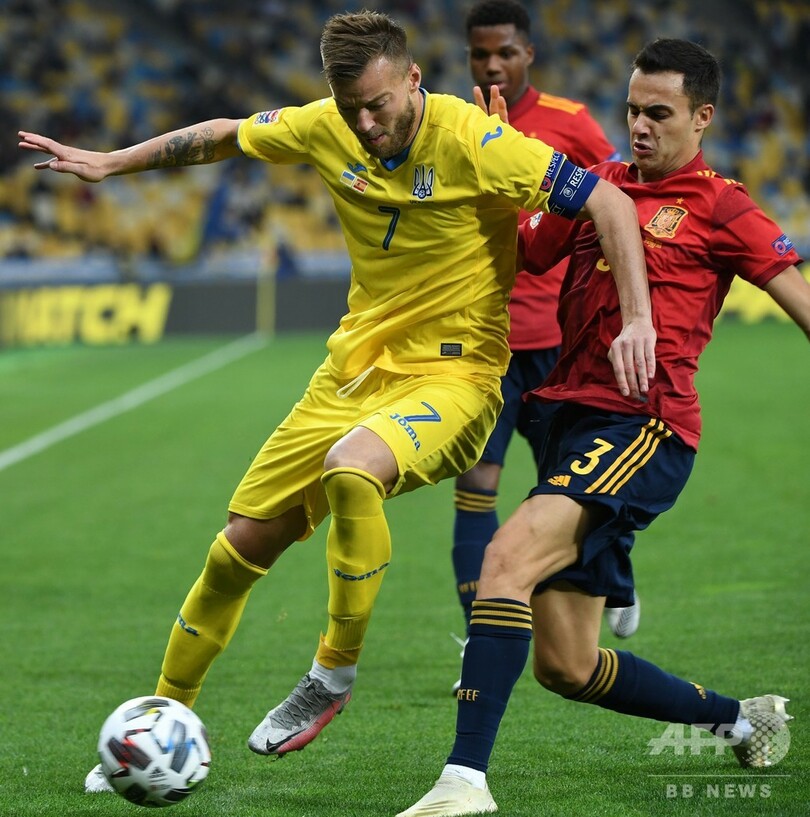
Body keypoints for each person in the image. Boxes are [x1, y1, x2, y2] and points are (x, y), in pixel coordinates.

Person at [18, 10, 656, 793]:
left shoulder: (474, 140)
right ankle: (160, 720)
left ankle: (333, 672)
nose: (365, 124)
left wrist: (636, 319)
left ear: (413, 80)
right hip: (350, 374)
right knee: (235, 551)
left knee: (352, 469)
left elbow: (609, 203)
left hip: (455, 374)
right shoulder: (328, 125)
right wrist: (110, 163)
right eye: (351, 107)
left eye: (378, 105)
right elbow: (223, 135)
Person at [399, 37, 809, 817]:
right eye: (632, 110)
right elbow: (520, 253)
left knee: (504, 556)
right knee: (568, 664)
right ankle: (741, 720)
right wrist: (496, 171)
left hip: (644, 426)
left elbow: (800, 300)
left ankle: (464, 780)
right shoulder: (598, 188)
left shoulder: (722, 205)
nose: (640, 126)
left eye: (659, 113)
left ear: (703, 117)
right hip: (569, 423)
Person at [450, 0, 636, 693]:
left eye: (504, 52)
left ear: (528, 53)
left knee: (579, 487)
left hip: (561, 346)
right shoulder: (456, 124)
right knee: (476, 490)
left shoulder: (571, 121)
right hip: (486, 346)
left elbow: (621, 197)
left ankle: (616, 576)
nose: (492, 64)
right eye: (480, 54)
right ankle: (479, 637)